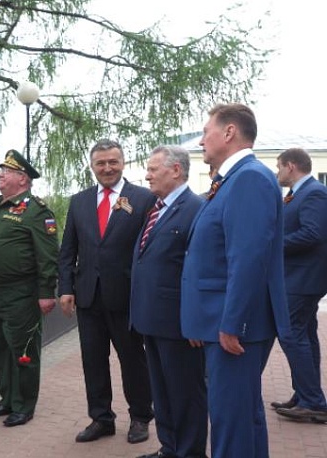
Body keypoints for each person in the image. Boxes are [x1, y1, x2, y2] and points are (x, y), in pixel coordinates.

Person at [181, 103, 289, 458]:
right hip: (223, 320)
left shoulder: (249, 178)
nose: (201, 141)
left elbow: (247, 259)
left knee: (231, 422)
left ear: (229, 132)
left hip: (233, 326)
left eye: (206, 132)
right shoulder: (233, 179)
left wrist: (233, 324)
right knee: (244, 418)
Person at [57, 139, 155, 444]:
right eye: (101, 163)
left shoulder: (143, 198)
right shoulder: (79, 201)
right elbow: (68, 250)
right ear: (92, 166)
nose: (107, 168)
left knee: (133, 361)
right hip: (88, 297)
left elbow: (150, 249)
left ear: (123, 163)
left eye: (113, 162)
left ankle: (140, 417)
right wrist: (65, 288)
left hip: (126, 297)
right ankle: (101, 419)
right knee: (93, 362)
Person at [0, 149, 59, 427]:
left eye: (7, 171)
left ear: (23, 179)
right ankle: (7, 400)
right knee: (1, 351)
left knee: (23, 352)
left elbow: (48, 255)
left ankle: (24, 406)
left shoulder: (36, 211)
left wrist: (46, 293)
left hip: (20, 294)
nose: (1, 174)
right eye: (2, 170)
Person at [130, 146, 207, 458]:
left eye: (153, 169)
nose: (147, 176)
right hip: (152, 318)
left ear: (176, 170)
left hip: (179, 323)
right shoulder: (157, 208)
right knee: (162, 393)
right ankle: (170, 448)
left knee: (185, 393)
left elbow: (199, 271)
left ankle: (189, 452)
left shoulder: (195, 208)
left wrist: (196, 320)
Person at [270, 147, 327, 422]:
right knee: (305, 335)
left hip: (304, 278)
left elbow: (313, 233)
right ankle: (306, 394)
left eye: (279, 166)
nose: (277, 172)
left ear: (291, 166)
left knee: (291, 334)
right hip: (298, 277)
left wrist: (272, 245)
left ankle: (313, 401)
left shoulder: (314, 192)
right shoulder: (297, 193)